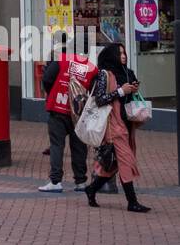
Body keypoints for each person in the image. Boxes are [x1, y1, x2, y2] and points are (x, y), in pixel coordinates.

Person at [84, 43, 151, 213]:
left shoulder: (127, 73)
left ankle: (91, 189)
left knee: (114, 164)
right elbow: (99, 99)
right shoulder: (104, 74)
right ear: (111, 55)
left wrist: (133, 89)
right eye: (119, 53)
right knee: (126, 160)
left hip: (128, 123)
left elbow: (128, 96)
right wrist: (121, 91)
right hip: (113, 125)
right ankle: (132, 202)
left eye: (124, 53)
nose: (123, 56)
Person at [37, 51, 96, 194]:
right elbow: (94, 91)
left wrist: (52, 93)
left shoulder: (61, 60)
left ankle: (55, 181)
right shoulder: (92, 67)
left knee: (57, 145)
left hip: (58, 108)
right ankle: (81, 181)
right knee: (79, 147)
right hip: (78, 113)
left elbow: (47, 79)